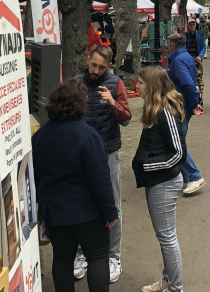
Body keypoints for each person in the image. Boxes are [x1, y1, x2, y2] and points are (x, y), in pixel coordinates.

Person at [32, 80, 118, 292]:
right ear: (80, 104)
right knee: (98, 257)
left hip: (56, 214)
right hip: (88, 213)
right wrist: (109, 212)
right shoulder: (88, 135)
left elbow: (35, 174)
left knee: (62, 258)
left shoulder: (40, 136)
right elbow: (101, 178)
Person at [72, 45, 132, 282]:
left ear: (109, 66)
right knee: (80, 203)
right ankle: (81, 253)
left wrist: (111, 103)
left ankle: (113, 256)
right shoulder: (77, 82)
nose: (95, 70)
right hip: (80, 155)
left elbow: (126, 118)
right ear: (88, 59)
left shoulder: (116, 83)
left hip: (107, 152)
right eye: (93, 64)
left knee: (112, 205)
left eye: (101, 67)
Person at [133, 66, 189, 292]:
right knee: (165, 237)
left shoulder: (165, 112)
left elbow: (178, 153)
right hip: (158, 182)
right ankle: (169, 281)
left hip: (163, 184)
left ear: (152, 85)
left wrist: (147, 166)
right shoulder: (156, 109)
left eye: (140, 83)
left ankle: (175, 287)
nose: (137, 86)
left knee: (167, 238)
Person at [165, 34, 206, 195]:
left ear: (173, 44)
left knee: (177, 145)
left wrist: (194, 103)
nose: (167, 45)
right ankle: (185, 176)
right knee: (178, 142)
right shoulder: (184, 57)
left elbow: (188, 84)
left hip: (179, 106)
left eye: (169, 43)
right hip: (182, 106)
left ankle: (194, 176)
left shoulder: (178, 60)